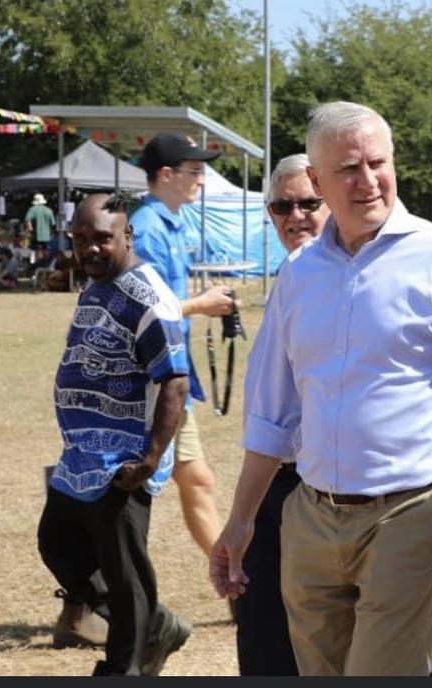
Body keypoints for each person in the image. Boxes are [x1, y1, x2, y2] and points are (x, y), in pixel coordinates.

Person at [211, 102, 432, 676]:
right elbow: (272, 415)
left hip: (409, 511)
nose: (368, 180)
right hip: (311, 517)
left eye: (378, 162)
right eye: (349, 169)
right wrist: (241, 521)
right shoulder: (299, 275)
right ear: (320, 183)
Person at [36, 193, 193, 676]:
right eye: (81, 239)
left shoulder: (148, 297)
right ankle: (155, 623)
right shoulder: (98, 285)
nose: (90, 249)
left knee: (125, 574)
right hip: (82, 454)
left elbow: (175, 380)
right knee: (57, 543)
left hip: (122, 460)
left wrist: (149, 457)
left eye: (102, 238)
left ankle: (124, 666)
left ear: (128, 235)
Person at [230, 153, 330, 676]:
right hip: (277, 484)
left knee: (355, 641)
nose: (296, 217)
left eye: (310, 203)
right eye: (281, 206)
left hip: (329, 494)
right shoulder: (292, 273)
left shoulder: (344, 275)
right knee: (267, 632)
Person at [130, 133, 237, 560]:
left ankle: (233, 583)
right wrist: (201, 304)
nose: (203, 180)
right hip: (146, 385)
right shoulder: (147, 228)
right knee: (133, 487)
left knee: (198, 480)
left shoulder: (170, 222)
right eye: (195, 171)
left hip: (169, 375)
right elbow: (138, 306)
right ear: (167, 174)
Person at [25, 193, 56, 266]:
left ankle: (38, 265)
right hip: (48, 236)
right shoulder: (49, 210)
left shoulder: (33, 209)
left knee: (37, 251)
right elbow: (53, 223)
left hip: (36, 235)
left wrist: (30, 228)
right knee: (46, 251)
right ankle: (47, 265)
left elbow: (27, 219)